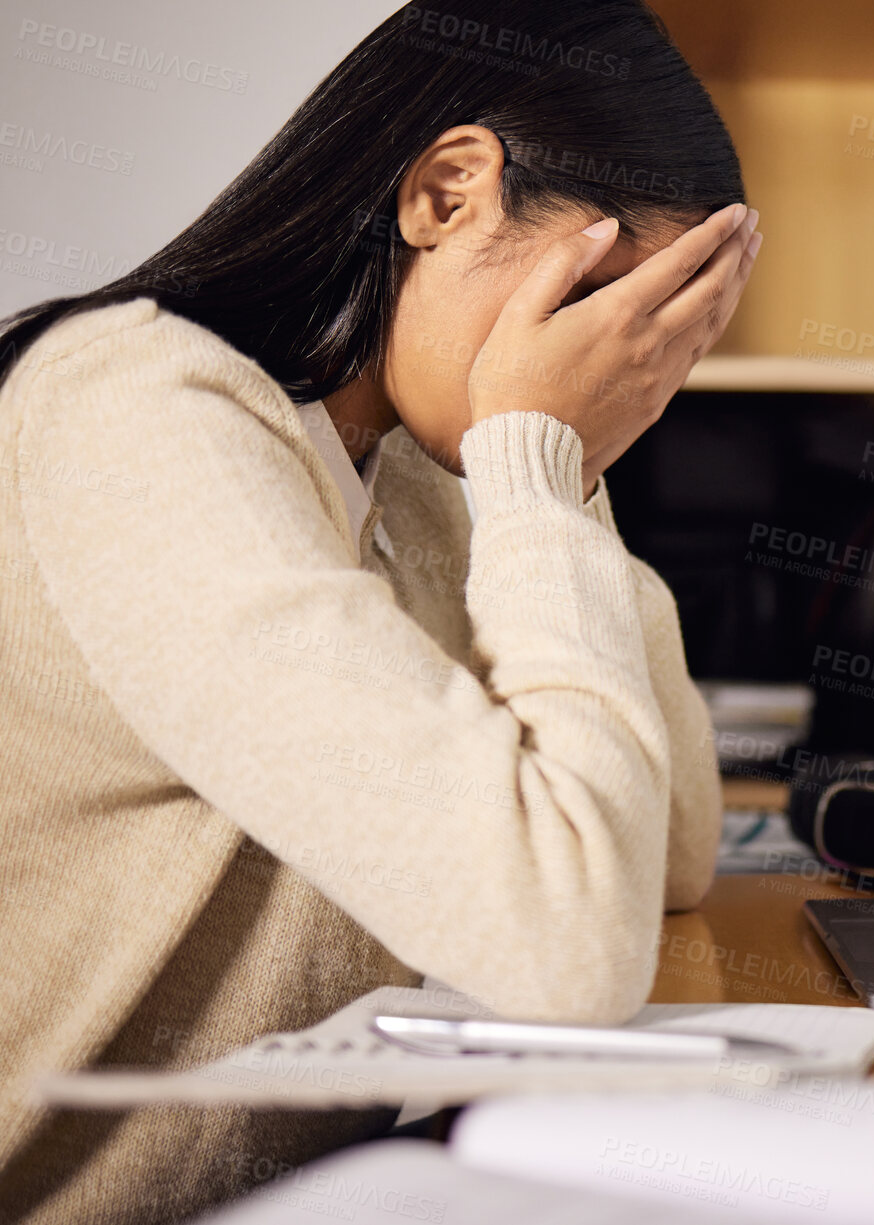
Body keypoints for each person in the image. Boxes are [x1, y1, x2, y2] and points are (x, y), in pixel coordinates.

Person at [0, 3, 759, 1221]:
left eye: (658, 345)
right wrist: (536, 450)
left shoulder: (422, 471)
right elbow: (571, 952)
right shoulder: (137, 406)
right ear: (448, 194)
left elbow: (666, 849)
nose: (626, 370)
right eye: (607, 307)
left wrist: (560, 470)